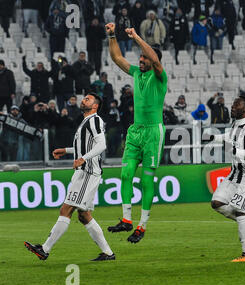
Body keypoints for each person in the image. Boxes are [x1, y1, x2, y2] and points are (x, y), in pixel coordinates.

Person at [24, 93, 116, 261]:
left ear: (95, 106)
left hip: (87, 171)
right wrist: (66, 150)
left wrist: (83, 159)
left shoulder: (94, 120)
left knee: (66, 209)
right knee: (84, 215)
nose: (84, 100)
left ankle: (45, 249)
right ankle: (108, 253)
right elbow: (85, 147)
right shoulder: (86, 121)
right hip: (85, 170)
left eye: (88, 99)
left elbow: (101, 145)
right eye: (84, 98)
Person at [105, 23, 167, 243]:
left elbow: (155, 60)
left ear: (152, 61)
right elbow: (117, 58)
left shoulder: (160, 77)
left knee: (147, 181)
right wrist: (111, 35)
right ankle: (127, 220)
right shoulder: (136, 73)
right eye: (140, 59)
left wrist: (137, 37)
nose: (140, 61)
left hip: (153, 133)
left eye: (143, 59)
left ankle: (142, 226)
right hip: (136, 131)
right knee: (125, 174)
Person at [209, 91, 245, 262]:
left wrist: (233, 150)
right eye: (233, 104)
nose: (233, 106)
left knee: (240, 212)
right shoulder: (235, 125)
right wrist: (213, 137)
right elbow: (227, 137)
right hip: (235, 173)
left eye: (237, 105)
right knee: (216, 203)